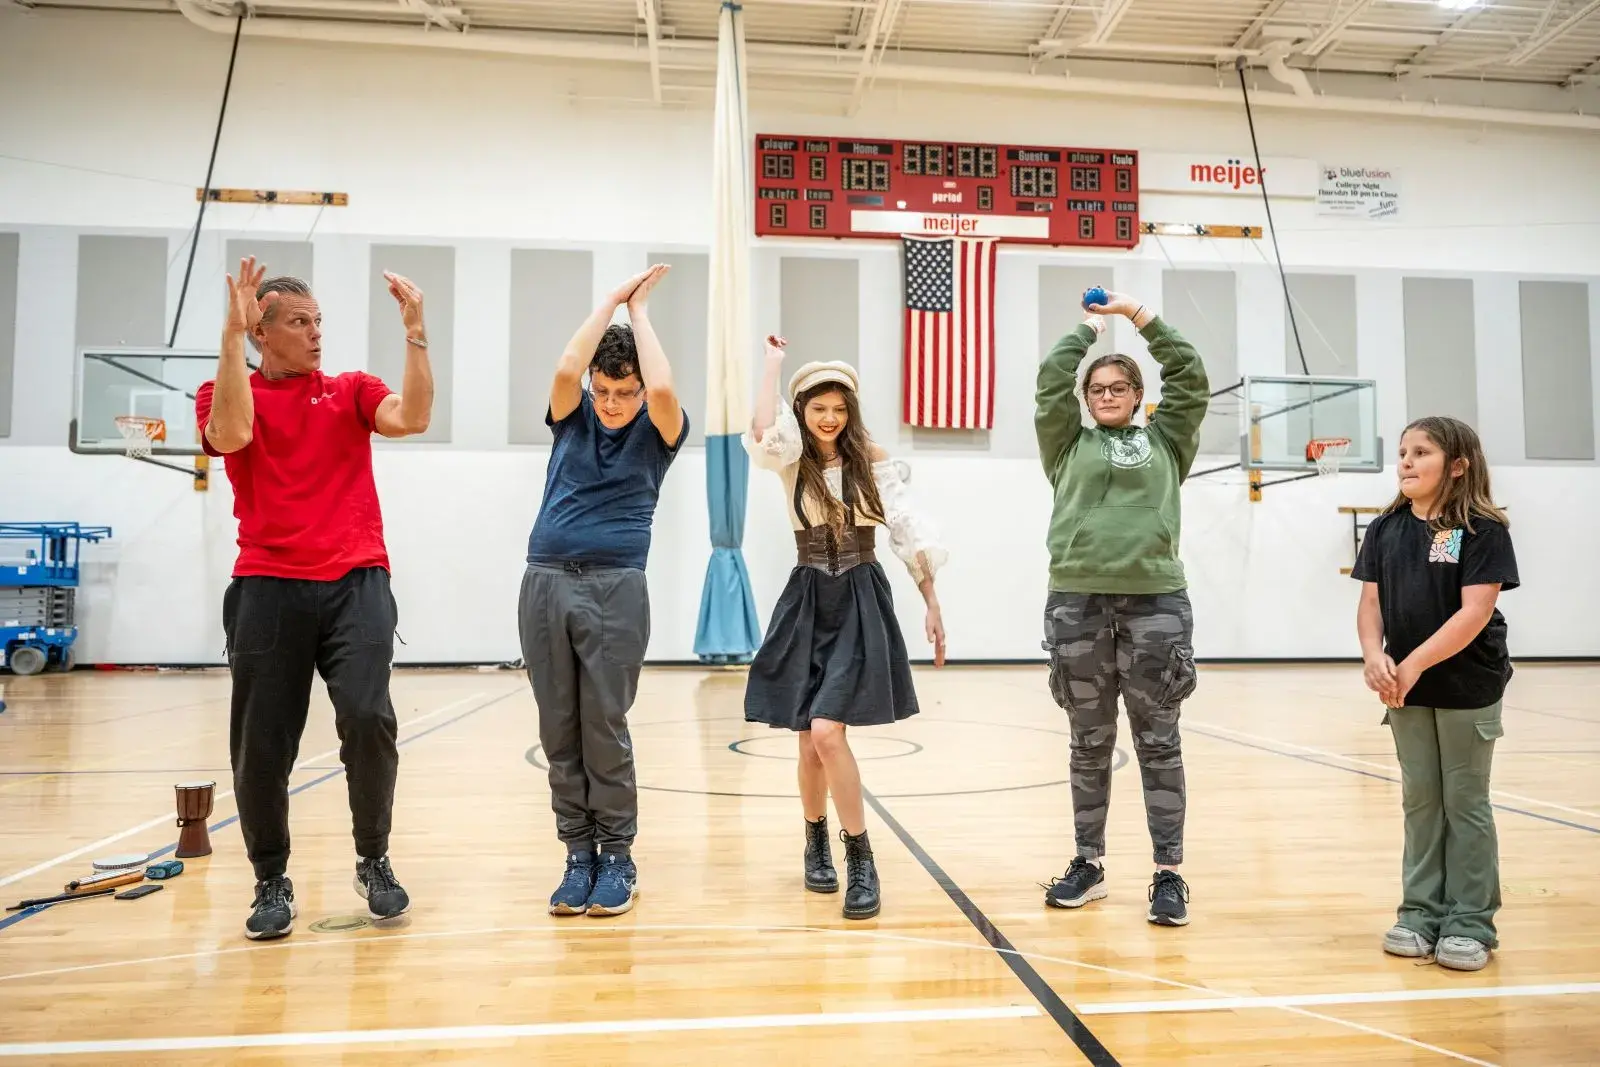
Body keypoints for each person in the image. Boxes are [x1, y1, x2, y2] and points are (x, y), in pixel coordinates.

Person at [196, 256, 435, 941]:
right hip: (267, 586)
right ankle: (271, 877)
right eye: (298, 323)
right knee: (262, 746)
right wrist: (229, 333)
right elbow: (232, 437)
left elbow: (412, 416)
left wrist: (416, 332)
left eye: (318, 321)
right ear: (261, 332)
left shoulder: (351, 390)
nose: (315, 334)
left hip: (357, 580)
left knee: (367, 715)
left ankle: (374, 858)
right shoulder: (223, 391)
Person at [742, 336, 946, 920]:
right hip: (808, 597)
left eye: (838, 409)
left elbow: (907, 530)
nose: (829, 419)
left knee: (829, 732)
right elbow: (761, 432)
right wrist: (773, 366)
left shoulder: (873, 461)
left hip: (859, 596)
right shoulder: (790, 458)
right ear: (802, 412)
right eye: (817, 409)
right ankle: (815, 840)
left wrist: (931, 602)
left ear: (850, 412)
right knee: (808, 744)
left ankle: (861, 856)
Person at [1034, 288, 1208, 927]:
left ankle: (1169, 873)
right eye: (1096, 390)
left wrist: (1135, 316)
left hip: (1156, 602)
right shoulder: (1065, 446)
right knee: (1088, 741)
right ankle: (1089, 863)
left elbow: (1189, 373)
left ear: (1138, 395)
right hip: (1076, 599)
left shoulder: (1168, 441)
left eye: (1117, 387)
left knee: (1159, 740)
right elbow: (1051, 385)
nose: (1105, 396)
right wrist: (1086, 329)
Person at [523, 264, 688, 919]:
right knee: (558, 729)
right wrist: (609, 303)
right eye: (604, 390)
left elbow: (667, 384)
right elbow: (566, 368)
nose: (613, 403)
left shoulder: (658, 432)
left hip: (617, 587)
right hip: (545, 581)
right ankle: (577, 854)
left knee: (603, 726)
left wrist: (640, 314)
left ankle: (618, 856)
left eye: (625, 391)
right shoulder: (572, 416)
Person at [1353, 416, 1518, 972]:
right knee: (1421, 800)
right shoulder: (1385, 529)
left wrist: (1414, 664)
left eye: (1421, 452)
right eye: (1402, 452)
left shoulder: (1483, 530)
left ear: (1458, 464)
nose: (1405, 461)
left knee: (1464, 803)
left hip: (1467, 685)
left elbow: (1475, 612)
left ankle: (1471, 921)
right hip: (1405, 686)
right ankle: (1419, 912)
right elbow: (1371, 604)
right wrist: (1376, 657)